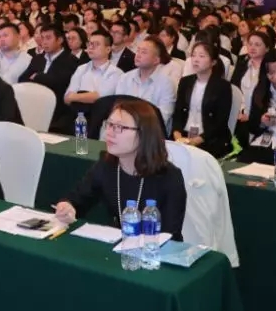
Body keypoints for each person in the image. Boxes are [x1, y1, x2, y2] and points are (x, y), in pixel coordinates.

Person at [54, 97, 186, 241]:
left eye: (120, 127)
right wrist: (67, 207)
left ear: (144, 134)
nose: (109, 133)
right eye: (109, 124)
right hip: (118, 245)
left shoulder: (169, 177)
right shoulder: (106, 165)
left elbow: (170, 236)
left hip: (153, 250)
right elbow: (77, 199)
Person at [171, 42, 233, 160]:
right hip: (184, 135)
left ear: (213, 62)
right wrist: (177, 135)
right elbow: (178, 112)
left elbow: (220, 122)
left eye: (201, 56)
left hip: (209, 139)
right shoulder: (185, 82)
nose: (195, 60)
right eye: (193, 55)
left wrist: (196, 141)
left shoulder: (223, 86)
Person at [20, 24, 77, 133]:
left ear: (60, 40)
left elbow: (60, 84)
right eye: (42, 38)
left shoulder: (70, 60)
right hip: (34, 107)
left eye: (48, 38)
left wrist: (38, 76)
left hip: (58, 113)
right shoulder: (38, 59)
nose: (44, 42)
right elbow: (22, 79)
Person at [114, 37, 177, 130]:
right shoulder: (125, 78)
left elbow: (163, 117)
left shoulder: (167, 84)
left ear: (156, 60)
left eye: (144, 52)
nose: (138, 55)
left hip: (152, 132)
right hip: (124, 129)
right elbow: (118, 108)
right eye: (138, 50)